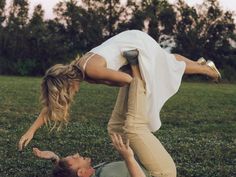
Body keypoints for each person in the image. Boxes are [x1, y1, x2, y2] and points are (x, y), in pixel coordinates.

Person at [18, 30, 221, 151]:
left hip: (134, 47)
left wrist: (109, 82)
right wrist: (31, 130)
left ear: (68, 84)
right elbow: (53, 105)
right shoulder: (81, 64)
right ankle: (201, 64)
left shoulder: (92, 71)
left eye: (68, 94)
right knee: (166, 62)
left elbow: (127, 79)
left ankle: (206, 70)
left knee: (163, 71)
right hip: (131, 38)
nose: (71, 96)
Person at [33, 60, 176, 177]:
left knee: (114, 128)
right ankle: (136, 69)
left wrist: (55, 159)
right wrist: (129, 158)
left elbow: (69, 173)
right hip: (159, 175)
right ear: (81, 172)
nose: (77, 154)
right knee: (133, 127)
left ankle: (129, 74)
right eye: (75, 158)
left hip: (144, 166)